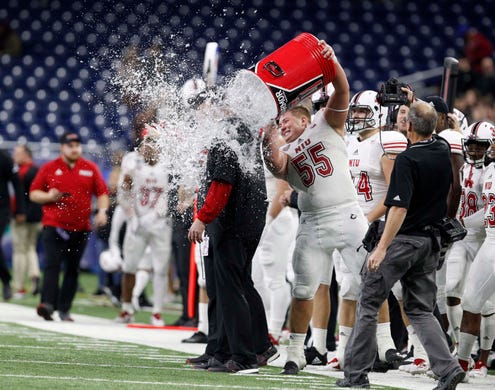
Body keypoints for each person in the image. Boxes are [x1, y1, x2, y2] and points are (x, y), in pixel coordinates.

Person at [337, 101, 465, 389]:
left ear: (408, 125)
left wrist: (381, 247)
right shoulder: (442, 151)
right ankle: (447, 368)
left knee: (369, 300)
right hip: (430, 242)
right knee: (420, 309)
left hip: (402, 240)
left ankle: (355, 375)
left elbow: (398, 208)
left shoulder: (407, 159)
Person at [262, 40, 369, 375]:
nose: (283, 128)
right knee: (305, 289)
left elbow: (342, 87)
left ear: (302, 115)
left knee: (372, 281)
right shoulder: (284, 148)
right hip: (312, 222)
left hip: (348, 213)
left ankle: (377, 348)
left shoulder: (328, 122)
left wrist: (330, 60)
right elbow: (277, 167)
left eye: (285, 123)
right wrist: (268, 134)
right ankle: (296, 352)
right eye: (280, 126)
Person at [188, 106, 277, 373]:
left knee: (231, 288)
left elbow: (221, 185)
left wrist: (203, 217)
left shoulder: (225, 140)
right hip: (244, 222)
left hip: (232, 224)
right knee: (233, 285)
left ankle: (245, 354)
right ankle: (228, 348)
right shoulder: (244, 138)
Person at [30, 132, 109, 321]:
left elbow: (102, 192)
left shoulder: (90, 168)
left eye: (77, 145)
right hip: (54, 225)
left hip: (80, 227)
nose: (74, 148)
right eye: (70, 145)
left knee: (73, 268)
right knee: (52, 265)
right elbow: (33, 193)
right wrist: (49, 197)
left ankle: (64, 308)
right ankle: (48, 304)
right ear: (62, 147)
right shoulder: (50, 168)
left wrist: (102, 212)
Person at [115, 126, 172, 326]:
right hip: (137, 222)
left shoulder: (168, 165)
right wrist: (133, 216)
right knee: (130, 266)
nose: (149, 148)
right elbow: (123, 193)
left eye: (154, 144)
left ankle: (157, 311)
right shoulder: (132, 164)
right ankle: (126, 308)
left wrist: (158, 214)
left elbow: (170, 193)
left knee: (160, 268)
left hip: (160, 224)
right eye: (147, 144)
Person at [457, 122, 495, 379]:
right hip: (490, 239)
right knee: (470, 300)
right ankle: (460, 364)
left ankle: (477, 359)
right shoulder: (490, 170)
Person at [11, 144, 42, 297]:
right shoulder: (37, 170)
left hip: (22, 216)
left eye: (17, 153)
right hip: (37, 217)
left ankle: (20, 286)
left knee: (19, 251)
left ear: (26, 155)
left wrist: (19, 213)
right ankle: (35, 273)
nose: (14, 156)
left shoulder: (22, 171)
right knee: (31, 248)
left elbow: (19, 196)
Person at [0, 149, 26, 300]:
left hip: (1, 209)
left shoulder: (4, 157)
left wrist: (20, 210)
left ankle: (6, 280)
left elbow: (17, 183)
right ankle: (6, 280)